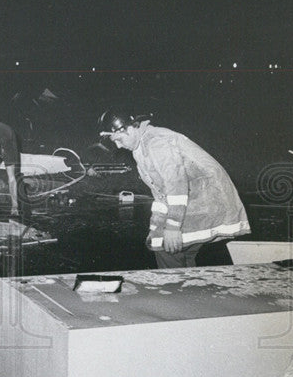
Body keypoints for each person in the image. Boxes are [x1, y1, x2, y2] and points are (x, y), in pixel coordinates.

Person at [98, 110, 250, 269]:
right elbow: (161, 193)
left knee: (167, 248)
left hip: (205, 199)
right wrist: (155, 226)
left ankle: (174, 288)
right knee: (172, 248)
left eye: (119, 139)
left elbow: (176, 183)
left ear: (129, 129)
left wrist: (172, 227)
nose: (118, 145)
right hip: (197, 199)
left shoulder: (156, 142)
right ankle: (187, 286)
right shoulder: (141, 146)